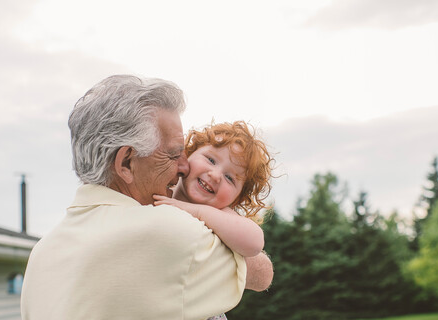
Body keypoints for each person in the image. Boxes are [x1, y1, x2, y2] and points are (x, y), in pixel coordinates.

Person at [21, 75, 274, 320]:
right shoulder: (171, 229)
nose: (184, 166)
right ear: (127, 163)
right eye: (174, 155)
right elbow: (261, 274)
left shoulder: (41, 254)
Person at [154, 120, 275, 320]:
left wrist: (198, 212)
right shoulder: (160, 189)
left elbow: (254, 242)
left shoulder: (219, 214)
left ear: (236, 199)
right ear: (188, 154)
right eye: (211, 160)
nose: (216, 175)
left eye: (230, 178)